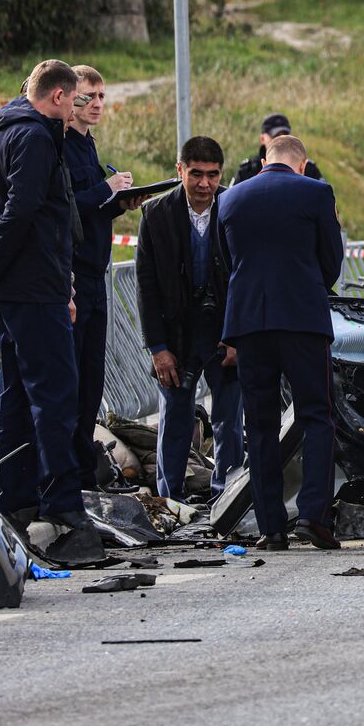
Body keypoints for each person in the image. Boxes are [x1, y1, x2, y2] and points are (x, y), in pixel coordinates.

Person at [0, 59, 105, 564]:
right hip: (34, 287)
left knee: (17, 394)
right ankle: (64, 510)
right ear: (60, 96)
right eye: (76, 101)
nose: (79, 111)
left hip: (14, 290)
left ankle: (17, 498)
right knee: (56, 397)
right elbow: (21, 210)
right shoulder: (40, 138)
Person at [218, 134, 343, 550]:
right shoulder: (316, 192)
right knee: (317, 416)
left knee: (260, 425)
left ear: (263, 159)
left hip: (250, 325)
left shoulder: (231, 199)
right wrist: (308, 287)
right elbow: (331, 260)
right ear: (302, 164)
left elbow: (228, 263)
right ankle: (313, 517)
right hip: (303, 321)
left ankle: (271, 527)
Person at [136, 136, 245, 502]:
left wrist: (238, 337)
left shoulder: (234, 207)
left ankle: (226, 497)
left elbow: (245, 277)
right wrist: (158, 347)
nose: (204, 184)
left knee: (229, 420)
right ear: (180, 170)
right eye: (196, 174)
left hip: (223, 334)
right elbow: (146, 286)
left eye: (212, 175)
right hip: (177, 336)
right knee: (175, 417)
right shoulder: (156, 215)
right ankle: (170, 499)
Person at [63, 64, 143, 488]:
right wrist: (108, 190)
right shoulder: (60, 144)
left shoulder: (88, 144)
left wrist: (120, 201)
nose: (96, 105)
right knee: (72, 379)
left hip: (96, 274)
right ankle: (67, 473)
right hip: (73, 276)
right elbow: (68, 206)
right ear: (68, 100)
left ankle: (83, 468)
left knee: (92, 378)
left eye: (101, 98)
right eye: (88, 97)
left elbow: (92, 209)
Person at [232, 113, 324, 185]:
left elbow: (326, 198)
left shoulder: (308, 168)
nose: (281, 139)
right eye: (275, 136)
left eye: (285, 135)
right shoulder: (248, 170)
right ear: (262, 139)